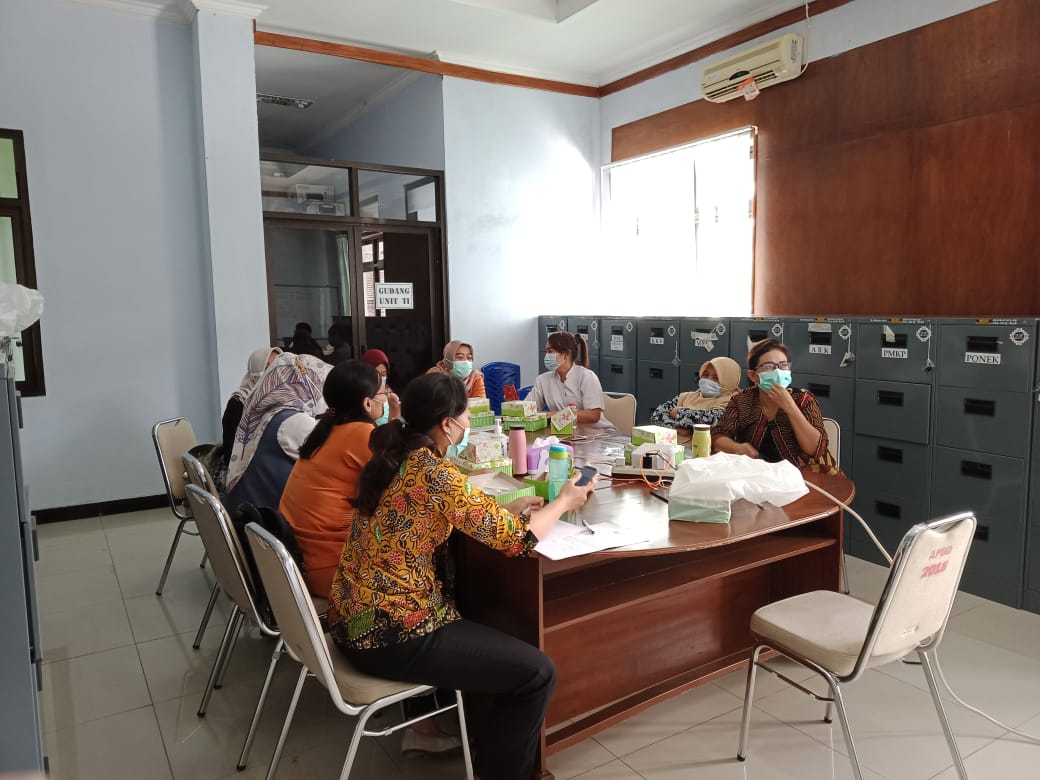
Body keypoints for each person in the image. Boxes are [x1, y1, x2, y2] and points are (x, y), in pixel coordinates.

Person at [328, 372, 594, 779]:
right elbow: (518, 542)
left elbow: (429, 516)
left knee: (491, 627)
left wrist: (505, 509)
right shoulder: (435, 473)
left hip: (352, 619)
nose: (469, 423)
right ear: (447, 424)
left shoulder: (394, 456)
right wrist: (563, 502)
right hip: (394, 633)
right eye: (466, 415)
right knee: (538, 673)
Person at [279, 360, 387, 598]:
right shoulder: (361, 433)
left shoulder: (327, 428)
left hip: (298, 562)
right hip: (331, 569)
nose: (387, 398)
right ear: (367, 403)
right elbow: (405, 481)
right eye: (383, 393)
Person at [225, 353, 331, 512]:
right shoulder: (295, 422)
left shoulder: (271, 413)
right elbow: (332, 464)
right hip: (267, 518)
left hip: (246, 511)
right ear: (304, 384)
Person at [712, 339, 836, 471]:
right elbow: (718, 437)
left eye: (783, 365)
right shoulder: (741, 400)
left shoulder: (804, 399)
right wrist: (737, 448)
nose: (777, 372)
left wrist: (790, 407)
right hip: (756, 474)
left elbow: (816, 449)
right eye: (769, 367)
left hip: (805, 475)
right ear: (753, 376)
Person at [528, 331, 612, 428]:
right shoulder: (543, 380)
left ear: (566, 354)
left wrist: (558, 414)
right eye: (546, 351)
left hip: (597, 432)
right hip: (567, 433)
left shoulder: (587, 377)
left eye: (550, 351)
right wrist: (517, 407)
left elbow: (593, 415)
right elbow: (528, 408)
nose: (546, 356)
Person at [649, 356, 742, 444]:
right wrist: (675, 428)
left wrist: (678, 412)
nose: (708, 380)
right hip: (674, 447)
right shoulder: (686, 396)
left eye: (716, 378)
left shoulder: (734, 401)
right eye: (705, 375)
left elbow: (712, 420)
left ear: (729, 380)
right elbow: (657, 415)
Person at [221, 346, 283, 469]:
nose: (275, 372)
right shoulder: (238, 403)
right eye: (268, 367)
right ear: (256, 371)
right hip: (243, 471)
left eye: (279, 366)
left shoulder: (282, 401)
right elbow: (232, 452)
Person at [361, 347, 401, 420]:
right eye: (376, 374)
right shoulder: (361, 399)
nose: (380, 379)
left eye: (383, 375)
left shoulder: (390, 395)